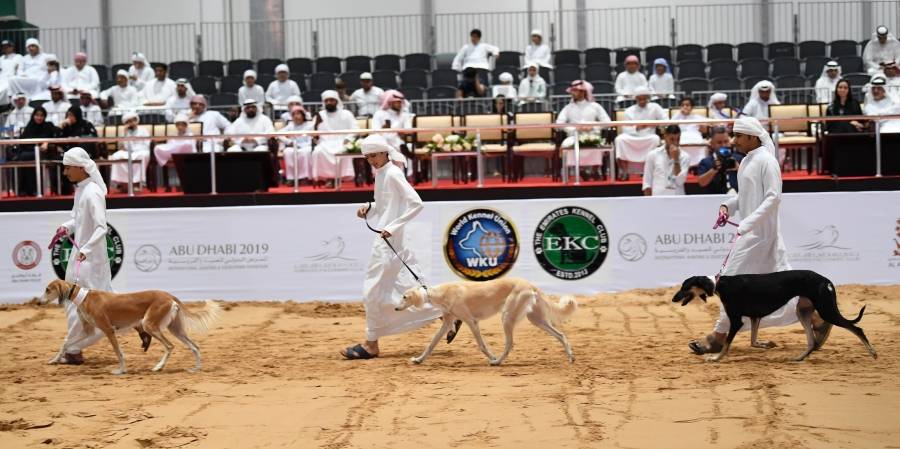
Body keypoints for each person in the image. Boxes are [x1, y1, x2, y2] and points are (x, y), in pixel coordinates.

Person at [689, 116, 826, 355]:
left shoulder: (767, 161)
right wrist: (727, 207)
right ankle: (817, 319)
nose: (735, 140)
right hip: (756, 234)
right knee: (783, 287)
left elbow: (773, 197)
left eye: (739, 136)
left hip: (759, 235)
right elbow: (745, 197)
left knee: (729, 282)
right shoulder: (747, 162)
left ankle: (718, 337)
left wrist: (747, 223)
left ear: (753, 136)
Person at [340, 134, 441, 360]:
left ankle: (371, 344)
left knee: (374, 290)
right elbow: (386, 204)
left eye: (374, 155)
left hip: (389, 239)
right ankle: (443, 311)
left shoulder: (393, 173)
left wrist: (393, 227)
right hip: (388, 237)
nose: (371, 161)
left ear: (385, 152)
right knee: (400, 285)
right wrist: (370, 207)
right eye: (367, 158)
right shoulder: (383, 173)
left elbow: (416, 203)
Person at [49, 147, 152, 365]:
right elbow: (78, 220)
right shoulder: (82, 190)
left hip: (89, 258)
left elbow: (101, 228)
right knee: (98, 298)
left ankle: (74, 349)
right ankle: (135, 322)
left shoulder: (93, 192)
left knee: (82, 303)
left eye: (68, 168)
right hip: (83, 256)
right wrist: (66, 228)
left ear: (80, 168)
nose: (65, 172)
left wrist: (85, 249)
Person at [556, 80, 611, 181]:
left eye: (575, 91)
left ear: (583, 92)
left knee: (597, 143)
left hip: (593, 135)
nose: (572, 93)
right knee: (567, 144)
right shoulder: (568, 108)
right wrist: (574, 128)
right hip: (574, 136)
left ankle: (595, 171)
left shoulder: (595, 106)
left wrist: (593, 126)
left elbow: (607, 122)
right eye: (572, 91)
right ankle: (580, 170)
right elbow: (559, 124)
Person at [614, 86, 666, 180]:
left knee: (655, 139)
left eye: (644, 99)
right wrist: (637, 127)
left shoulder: (655, 107)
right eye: (640, 99)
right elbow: (625, 128)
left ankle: (650, 170)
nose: (642, 101)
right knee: (619, 139)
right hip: (632, 136)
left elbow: (666, 120)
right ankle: (624, 171)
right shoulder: (629, 110)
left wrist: (654, 124)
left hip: (649, 136)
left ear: (648, 98)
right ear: (636, 99)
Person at [311, 90, 357, 185]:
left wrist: (348, 139)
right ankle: (327, 178)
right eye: (326, 101)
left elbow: (355, 129)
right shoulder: (320, 115)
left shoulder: (346, 114)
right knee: (317, 151)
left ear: (336, 101)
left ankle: (339, 178)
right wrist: (316, 126)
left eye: (331, 100)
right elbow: (313, 132)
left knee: (343, 150)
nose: (329, 102)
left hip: (342, 141)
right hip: (325, 143)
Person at [11, 107, 60, 195]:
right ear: (33, 116)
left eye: (41, 116)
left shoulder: (48, 126)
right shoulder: (29, 127)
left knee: (29, 156)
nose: (39, 118)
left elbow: (55, 135)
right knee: (22, 157)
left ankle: (35, 189)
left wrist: (47, 142)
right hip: (27, 151)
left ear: (44, 117)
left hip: (44, 152)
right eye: (37, 115)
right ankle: (23, 190)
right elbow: (22, 142)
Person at [371, 90, 414, 172]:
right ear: (389, 102)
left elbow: (409, 130)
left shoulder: (404, 115)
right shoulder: (379, 114)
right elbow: (374, 131)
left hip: (399, 141)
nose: (400, 104)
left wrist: (402, 133)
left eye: (400, 102)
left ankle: (400, 174)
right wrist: (383, 129)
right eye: (397, 102)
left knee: (401, 148)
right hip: (382, 141)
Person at [642, 125, 691, 196]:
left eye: (678, 139)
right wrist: (649, 203)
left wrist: (676, 160)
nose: (675, 143)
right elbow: (647, 182)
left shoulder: (685, 156)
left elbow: (680, 181)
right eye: (672, 139)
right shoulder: (652, 155)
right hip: (658, 199)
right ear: (665, 137)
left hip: (677, 198)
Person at [108, 111, 151, 192]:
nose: (132, 123)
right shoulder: (125, 132)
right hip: (129, 152)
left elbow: (147, 144)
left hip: (141, 151)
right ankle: (121, 183)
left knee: (141, 156)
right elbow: (121, 147)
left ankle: (137, 183)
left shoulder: (143, 130)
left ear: (136, 121)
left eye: (133, 121)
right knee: (116, 156)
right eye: (129, 122)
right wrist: (124, 133)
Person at [696, 126, 743, 194]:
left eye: (726, 141)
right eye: (719, 142)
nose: (723, 145)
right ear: (712, 144)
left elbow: (750, 179)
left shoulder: (739, 158)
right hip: (714, 200)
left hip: (737, 198)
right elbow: (701, 183)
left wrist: (738, 168)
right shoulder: (705, 162)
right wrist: (713, 170)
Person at [280, 105, 314, 183]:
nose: (296, 116)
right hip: (294, 145)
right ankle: (291, 178)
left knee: (305, 152)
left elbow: (311, 139)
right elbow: (279, 134)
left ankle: (305, 177)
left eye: (298, 114)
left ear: (303, 115)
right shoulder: (290, 125)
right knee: (287, 152)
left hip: (307, 146)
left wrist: (300, 146)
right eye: (294, 114)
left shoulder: (310, 125)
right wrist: (289, 142)